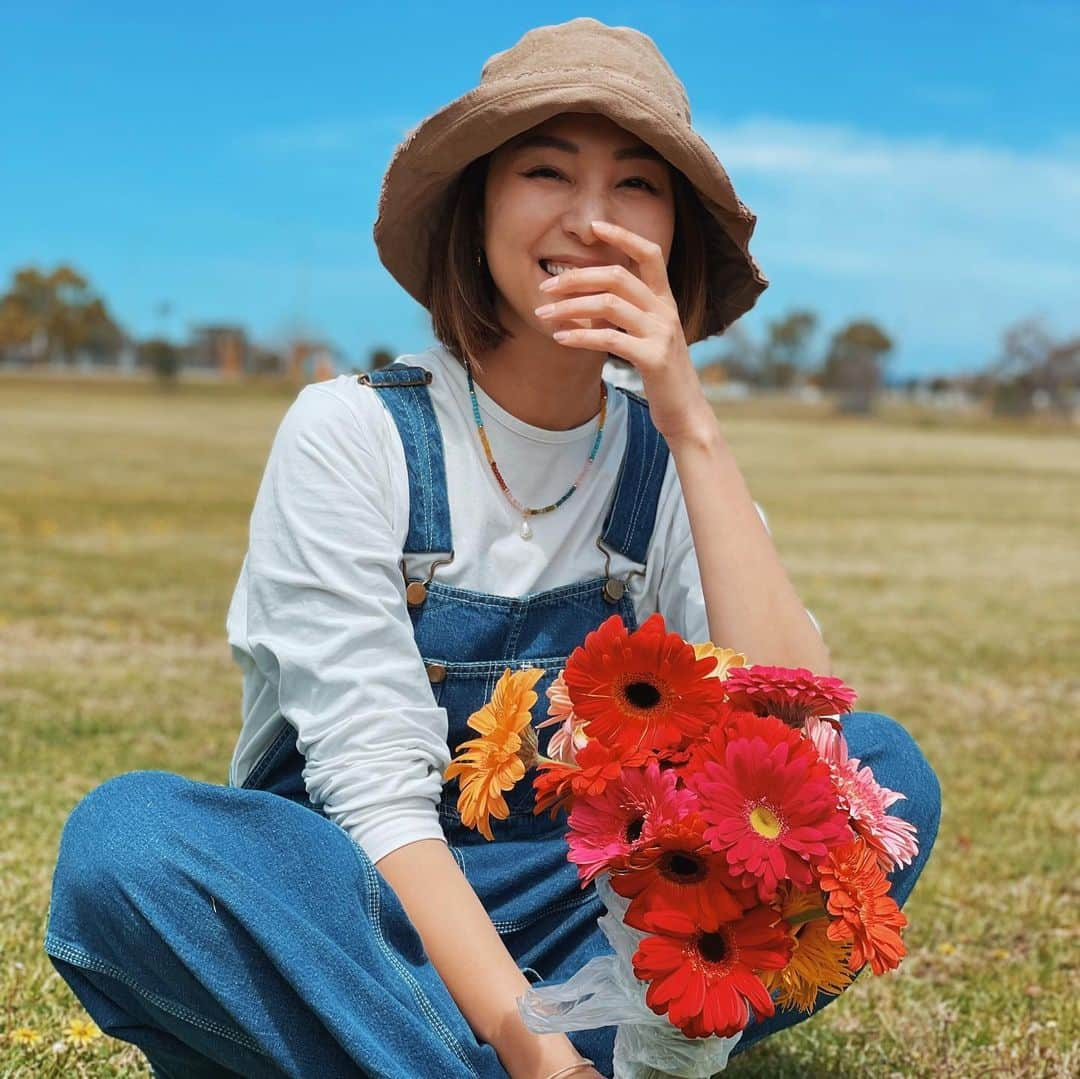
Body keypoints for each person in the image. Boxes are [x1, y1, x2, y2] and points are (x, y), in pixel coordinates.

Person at [42, 17, 940, 1079]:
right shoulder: (354, 432)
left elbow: (797, 745)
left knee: (880, 780)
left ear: (674, 236)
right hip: (363, 912)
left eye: (637, 185)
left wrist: (690, 419)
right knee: (131, 845)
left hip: (578, 908)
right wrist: (533, 1044)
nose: (592, 218)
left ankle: (405, 1055)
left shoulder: (661, 455)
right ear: (477, 212)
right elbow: (369, 788)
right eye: (546, 170)